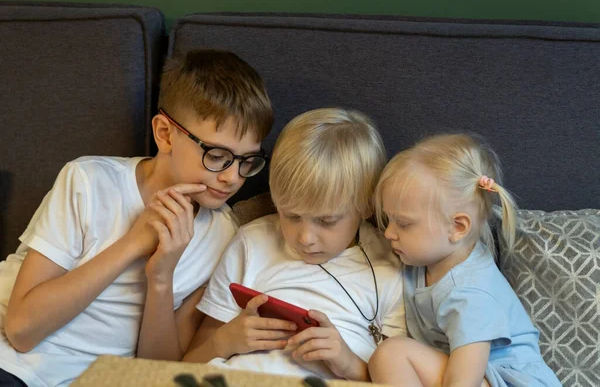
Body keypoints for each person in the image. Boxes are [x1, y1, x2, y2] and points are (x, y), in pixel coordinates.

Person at [0, 49, 273, 387]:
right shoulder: (89, 181)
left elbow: (160, 370)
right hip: (13, 365)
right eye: (217, 156)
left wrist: (161, 278)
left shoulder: (223, 235)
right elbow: (21, 331)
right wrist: (132, 244)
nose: (233, 177)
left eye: (247, 161)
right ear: (165, 134)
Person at [183, 108, 406, 381]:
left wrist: (347, 364)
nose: (305, 238)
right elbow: (187, 366)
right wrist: (226, 342)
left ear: (366, 206)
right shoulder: (252, 243)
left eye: (326, 221)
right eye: (291, 216)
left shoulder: (392, 268)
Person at [368, 133, 561, 387]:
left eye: (403, 224)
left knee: (391, 355)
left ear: (458, 227)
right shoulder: (431, 256)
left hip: (509, 380)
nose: (389, 233)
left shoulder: (469, 292)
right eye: (388, 219)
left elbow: (463, 382)